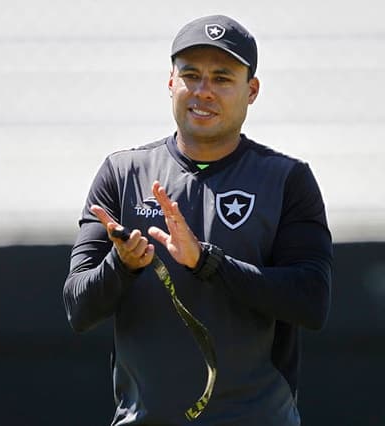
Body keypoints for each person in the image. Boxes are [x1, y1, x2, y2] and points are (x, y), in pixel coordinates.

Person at [62, 14, 332, 426]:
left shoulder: (287, 180)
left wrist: (208, 263)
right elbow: (78, 308)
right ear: (171, 82)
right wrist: (122, 265)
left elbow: (312, 302)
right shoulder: (122, 174)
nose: (203, 91)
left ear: (252, 90)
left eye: (222, 78)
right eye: (191, 75)